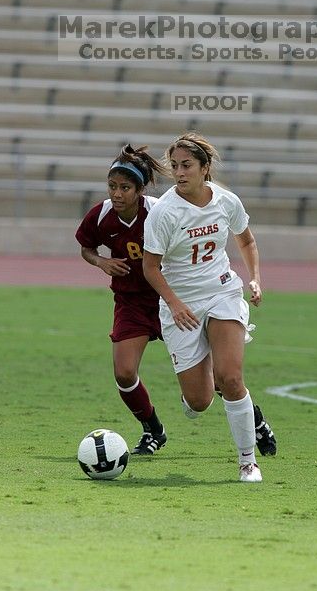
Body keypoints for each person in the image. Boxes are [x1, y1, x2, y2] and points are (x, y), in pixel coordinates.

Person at [142, 132, 276, 483]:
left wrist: (255, 278)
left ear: (205, 168)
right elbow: (150, 267)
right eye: (174, 166)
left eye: (186, 165)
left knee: (231, 379)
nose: (179, 172)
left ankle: (248, 462)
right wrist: (174, 303)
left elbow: (245, 239)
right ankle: (200, 386)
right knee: (199, 402)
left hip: (222, 293)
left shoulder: (226, 202)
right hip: (181, 306)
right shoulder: (165, 212)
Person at [75, 144, 169, 455]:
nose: (117, 194)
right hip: (130, 301)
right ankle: (153, 429)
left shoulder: (159, 213)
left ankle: (254, 420)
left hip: (170, 300)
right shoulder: (100, 215)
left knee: (210, 381)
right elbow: (86, 248)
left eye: (125, 187)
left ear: (140, 190)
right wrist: (101, 261)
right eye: (112, 186)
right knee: (124, 373)